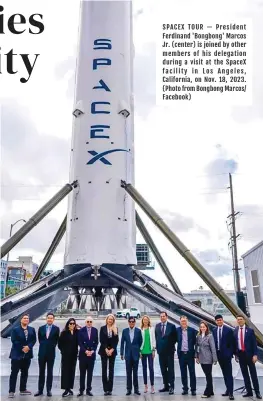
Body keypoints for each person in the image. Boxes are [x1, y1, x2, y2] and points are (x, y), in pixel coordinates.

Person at [8, 314, 37, 398]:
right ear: (21, 320)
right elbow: (14, 340)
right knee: (14, 373)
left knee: (25, 373)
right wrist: (22, 348)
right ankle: (11, 391)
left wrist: (29, 347)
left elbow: (34, 340)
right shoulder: (15, 330)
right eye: (24, 318)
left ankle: (23, 389)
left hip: (27, 355)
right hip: (16, 355)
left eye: (27, 318)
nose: (26, 319)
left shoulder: (32, 329)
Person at [234, 315, 262, 399]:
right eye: (238, 319)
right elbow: (235, 344)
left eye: (241, 319)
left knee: (253, 374)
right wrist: (236, 354)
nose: (239, 321)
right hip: (241, 355)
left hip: (250, 356)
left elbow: (254, 344)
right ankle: (249, 392)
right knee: (245, 374)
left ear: (244, 320)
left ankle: (257, 392)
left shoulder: (250, 331)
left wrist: (255, 355)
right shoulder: (235, 331)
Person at [34, 312, 60, 397]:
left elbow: (56, 340)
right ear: (46, 319)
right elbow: (40, 339)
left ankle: (49, 390)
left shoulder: (56, 329)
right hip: (41, 353)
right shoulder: (41, 328)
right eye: (48, 318)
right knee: (41, 372)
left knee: (50, 372)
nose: (50, 319)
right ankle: (40, 390)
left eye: (51, 318)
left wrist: (51, 346)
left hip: (51, 353)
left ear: (53, 319)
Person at [212, 314, 235, 400]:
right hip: (219, 355)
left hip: (227, 355)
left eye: (220, 320)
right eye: (217, 320)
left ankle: (231, 393)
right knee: (224, 374)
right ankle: (228, 390)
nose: (219, 321)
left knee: (229, 374)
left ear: (223, 320)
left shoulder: (228, 330)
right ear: (216, 321)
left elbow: (232, 343)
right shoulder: (214, 330)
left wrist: (230, 353)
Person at [155, 311, 177, 395]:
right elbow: (157, 338)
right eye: (161, 316)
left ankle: (171, 386)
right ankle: (166, 386)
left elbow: (175, 338)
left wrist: (170, 346)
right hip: (161, 352)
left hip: (169, 352)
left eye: (163, 316)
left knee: (171, 370)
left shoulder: (172, 326)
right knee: (163, 370)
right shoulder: (157, 326)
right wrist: (157, 348)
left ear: (166, 317)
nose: (162, 318)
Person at [121, 316, 143, 395]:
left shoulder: (138, 331)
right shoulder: (124, 331)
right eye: (130, 321)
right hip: (127, 355)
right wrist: (121, 353)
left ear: (135, 322)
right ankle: (129, 389)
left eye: (133, 321)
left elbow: (141, 341)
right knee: (128, 373)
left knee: (135, 373)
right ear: (128, 322)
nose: (131, 323)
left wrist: (138, 350)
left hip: (135, 355)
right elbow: (122, 343)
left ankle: (136, 389)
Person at [77, 316, 98, 397]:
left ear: (92, 323)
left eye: (90, 322)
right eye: (88, 322)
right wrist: (85, 351)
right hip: (83, 355)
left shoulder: (95, 330)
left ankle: (88, 390)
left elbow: (96, 342)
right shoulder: (81, 330)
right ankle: (81, 390)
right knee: (82, 374)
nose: (89, 323)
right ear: (85, 322)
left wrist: (92, 351)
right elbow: (80, 342)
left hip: (91, 355)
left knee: (90, 374)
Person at [195, 321, 217, 398]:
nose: (202, 328)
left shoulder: (210, 336)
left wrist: (215, 359)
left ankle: (207, 392)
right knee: (208, 375)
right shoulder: (198, 336)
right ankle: (211, 391)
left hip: (208, 358)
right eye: (201, 327)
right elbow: (197, 348)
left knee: (208, 375)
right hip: (201, 358)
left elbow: (213, 348)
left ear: (206, 327)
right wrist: (196, 357)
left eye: (203, 327)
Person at [58, 318, 79, 397]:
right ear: (68, 324)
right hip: (66, 356)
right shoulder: (64, 333)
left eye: (74, 323)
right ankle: (66, 389)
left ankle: (70, 388)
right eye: (70, 323)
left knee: (72, 371)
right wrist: (63, 351)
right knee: (65, 372)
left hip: (74, 356)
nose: (72, 325)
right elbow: (59, 344)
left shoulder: (77, 332)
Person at [98, 314, 119, 395]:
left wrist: (112, 349)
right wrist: (106, 349)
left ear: (113, 321)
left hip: (112, 352)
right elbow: (101, 340)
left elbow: (116, 341)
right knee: (104, 370)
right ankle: (105, 389)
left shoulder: (115, 329)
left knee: (111, 370)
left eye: (111, 319)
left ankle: (110, 389)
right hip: (104, 351)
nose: (110, 320)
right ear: (106, 320)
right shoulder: (102, 328)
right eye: (109, 319)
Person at [176, 316, 197, 396]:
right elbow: (175, 340)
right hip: (181, 354)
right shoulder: (177, 330)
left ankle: (193, 389)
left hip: (190, 354)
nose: (183, 322)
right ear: (180, 322)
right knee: (183, 373)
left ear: (187, 321)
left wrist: (196, 354)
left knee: (192, 372)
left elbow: (195, 342)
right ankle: (185, 389)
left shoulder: (192, 330)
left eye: (185, 321)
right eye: (182, 321)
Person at [140, 315, 156, 394]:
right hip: (143, 351)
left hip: (150, 351)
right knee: (144, 369)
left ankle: (152, 386)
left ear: (148, 321)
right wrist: (140, 351)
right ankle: (146, 386)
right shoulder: (140, 329)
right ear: (142, 321)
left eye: (146, 320)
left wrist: (153, 350)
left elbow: (153, 340)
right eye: (144, 320)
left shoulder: (151, 329)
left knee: (151, 368)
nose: (145, 321)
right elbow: (139, 341)